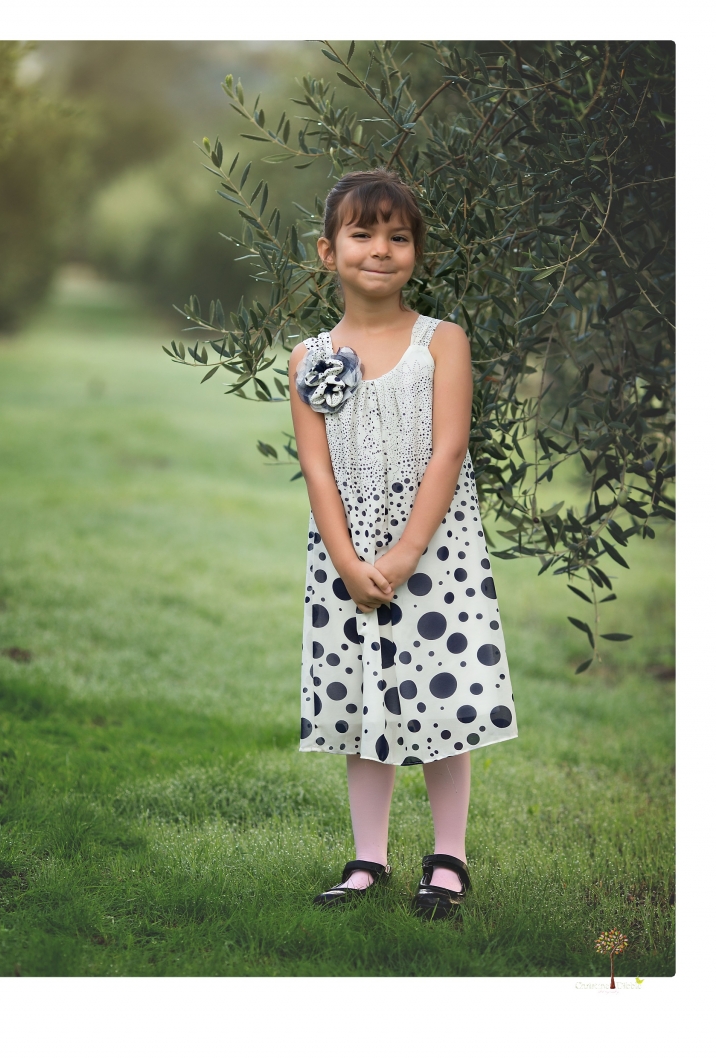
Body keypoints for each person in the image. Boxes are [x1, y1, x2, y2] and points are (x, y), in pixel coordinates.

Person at [288, 168, 518, 919]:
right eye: (363, 234)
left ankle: (447, 859)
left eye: (398, 236)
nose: (381, 249)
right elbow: (317, 470)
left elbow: (449, 450)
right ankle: (368, 859)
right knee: (361, 702)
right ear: (329, 251)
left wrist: (406, 554)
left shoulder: (440, 342)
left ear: (416, 251)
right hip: (347, 559)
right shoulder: (308, 356)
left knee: (441, 699)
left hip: (434, 554)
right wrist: (351, 562)